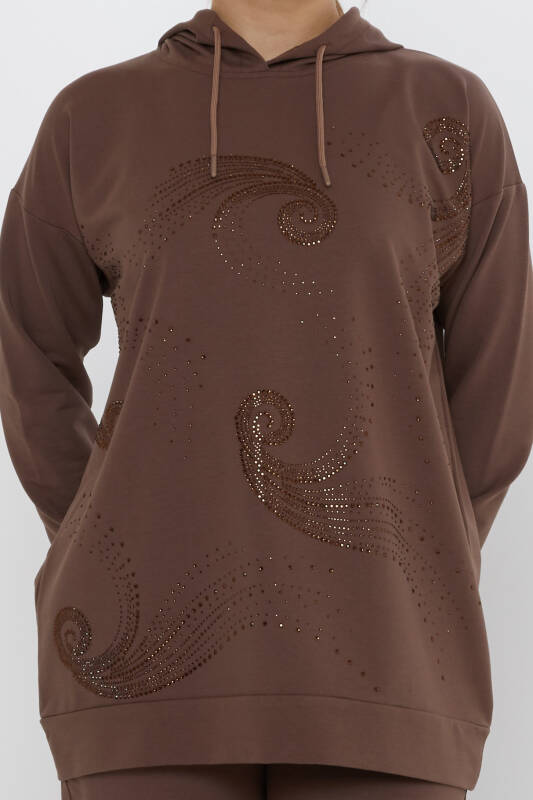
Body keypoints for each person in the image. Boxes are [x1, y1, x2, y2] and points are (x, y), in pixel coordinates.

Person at [0, 1, 532, 798]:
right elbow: (26, 350)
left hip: (390, 656)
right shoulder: (95, 115)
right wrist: (100, 530)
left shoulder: (446, 109)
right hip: (135, 672)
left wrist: (426, 550)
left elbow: (499, 382)